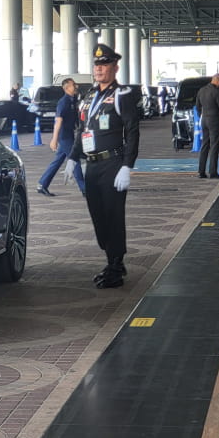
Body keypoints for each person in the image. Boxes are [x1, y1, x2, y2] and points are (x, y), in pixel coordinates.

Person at [65, 44, 141, 288]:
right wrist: (73, 157)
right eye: (96, 65)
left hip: (112, 163)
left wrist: (127, 166)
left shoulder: (122, 94)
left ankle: (116, 266)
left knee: (113, 216)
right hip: (93, 166)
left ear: (115, 67)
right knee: (98, 216)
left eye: (104, 64)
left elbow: (132, 131)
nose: (99, 69)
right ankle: (111, 259)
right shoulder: (88, 96)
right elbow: (82, 131)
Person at [37, 78, 84, 196]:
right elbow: (58, 121)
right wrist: (54, 139)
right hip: (65, 137)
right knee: (75, 160)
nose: (76, 86)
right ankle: (85, 189)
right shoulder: (64, 102)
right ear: (67, 88)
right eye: (74, 85)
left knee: (57, 161)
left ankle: (42, 184)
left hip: (69, 135)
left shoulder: (72, 100)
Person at [195, 73, 219, 178]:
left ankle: (201, 171)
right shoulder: (216, 92)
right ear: (218, 81)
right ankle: (213, 172)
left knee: (205, 145)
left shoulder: (201, 90)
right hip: (214, 120)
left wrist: (202, 115)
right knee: (214, 145)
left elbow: (197, 106)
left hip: (204, 119)